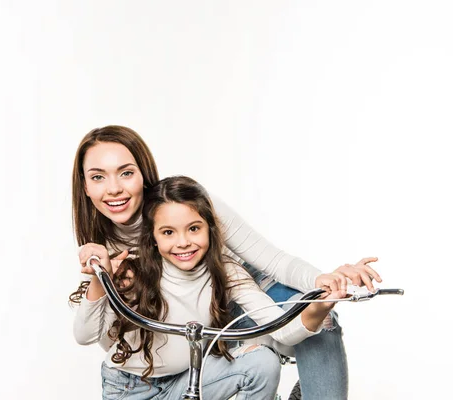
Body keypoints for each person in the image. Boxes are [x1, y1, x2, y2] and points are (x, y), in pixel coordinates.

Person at [69, 125, 382, 399]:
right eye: (98, 177)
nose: (113, 188)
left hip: (224, 288)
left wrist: (326, 282)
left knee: (317, 319)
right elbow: (102, 338)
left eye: (125, 172)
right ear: (85, 185)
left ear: (144, 174)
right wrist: (102, 276)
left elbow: (271, 260)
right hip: (174, 337)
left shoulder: (185, 205)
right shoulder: (103, 251)